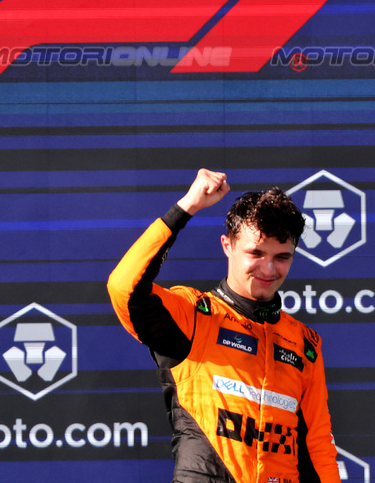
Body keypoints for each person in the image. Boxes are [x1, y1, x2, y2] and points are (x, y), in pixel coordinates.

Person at [108, 169, 342, 483]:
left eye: (282, 257)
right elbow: (124, 288)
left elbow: (317, 447)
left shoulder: (304, 342)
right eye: (255, 253)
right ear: (227, 245)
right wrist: (186, 207)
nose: (269, 268)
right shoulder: (194, 315)